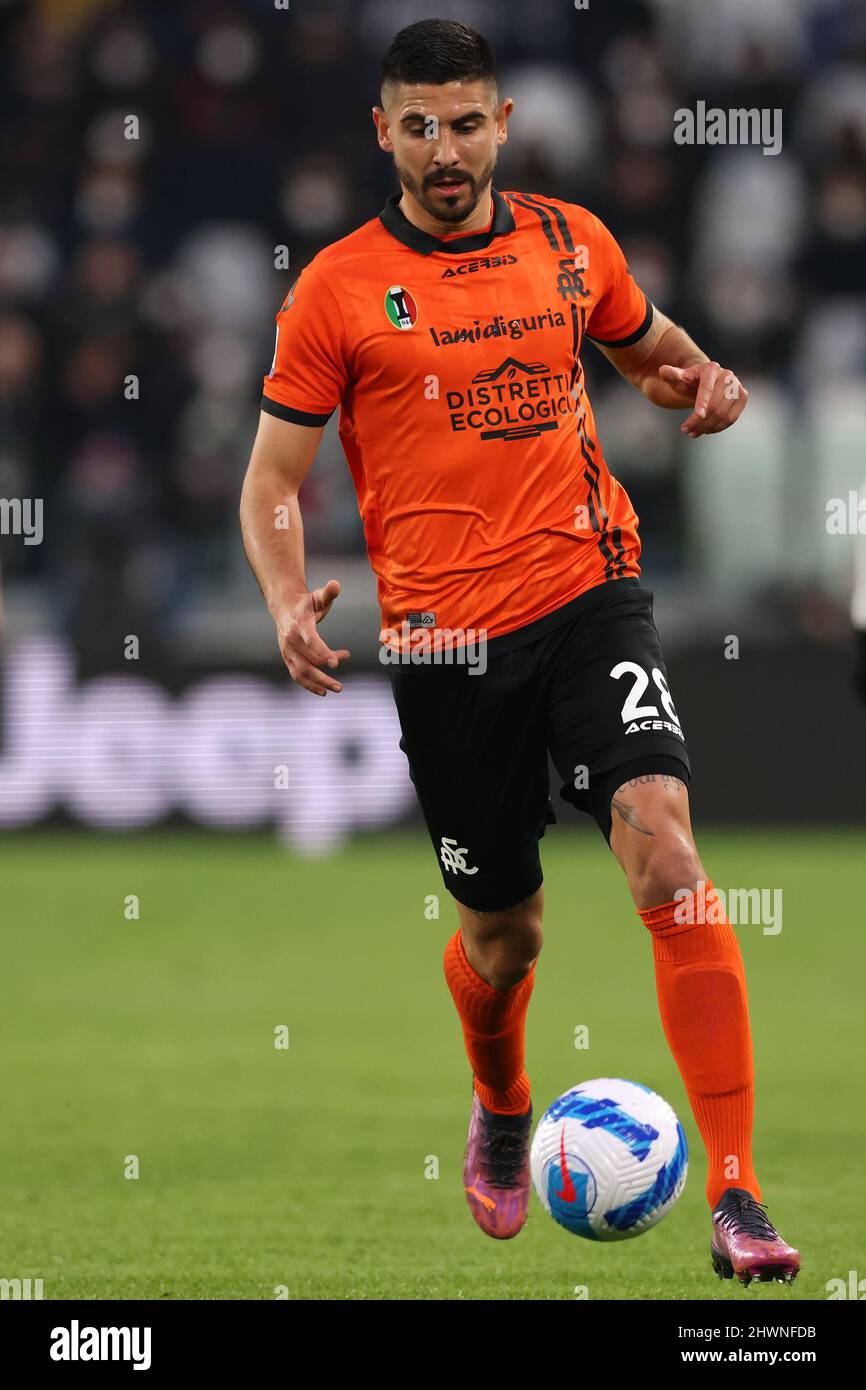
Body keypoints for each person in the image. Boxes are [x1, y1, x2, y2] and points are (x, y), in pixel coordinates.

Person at [240, 18, 799, 1285]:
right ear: (382, 132)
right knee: (506, 936)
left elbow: (651, 352)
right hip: (440, 643)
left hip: (588, 591)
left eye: (467, 122)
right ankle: (501, 1102)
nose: (447, 149)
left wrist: (699, 380)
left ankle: (734, 1194)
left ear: (504, 123)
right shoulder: (333, 288)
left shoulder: (570, 242)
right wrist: (285, 594)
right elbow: (272, 475)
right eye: (420, 126)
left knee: (662, 843)